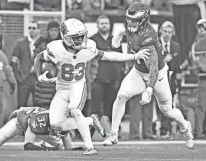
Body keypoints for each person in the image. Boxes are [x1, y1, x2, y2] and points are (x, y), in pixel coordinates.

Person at [34, 18, 150, 155]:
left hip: (78, 85)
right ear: (65, 37)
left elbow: (109, 56)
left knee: (75, 110)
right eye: (76, 38)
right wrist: (39, 75)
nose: (80, 40)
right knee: (56, 125)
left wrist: (134, 57)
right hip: (61, 89)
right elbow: (39, 58)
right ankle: (90, 120)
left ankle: (89, 147)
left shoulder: (88, 48)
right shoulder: (55, 48)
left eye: (82, 36)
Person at [102, 2, 194, 149]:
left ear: (143, 20)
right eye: (128, 19)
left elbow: (154, 69)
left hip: (157, 74)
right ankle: (113, 133)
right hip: (138, 71)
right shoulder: (132, 25)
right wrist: (119, 34)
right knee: (121, 96)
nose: (129, 22)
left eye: (133, 20)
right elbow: (128, 29)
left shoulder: (148, 38)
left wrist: (149, 89)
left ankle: (185, 126)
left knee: (167, 110)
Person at [0, 106, 104, 151]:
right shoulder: (39, 123)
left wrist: (77, 148)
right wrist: (44, 148)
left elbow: (68, 146)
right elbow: (28, 145)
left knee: (59, 146)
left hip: (29, 121)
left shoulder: (63, 125)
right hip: (17, 124)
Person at [10, 20, 40, 108]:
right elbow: (13, 62)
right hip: (24, 78)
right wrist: (18, 77)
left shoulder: (43, 43)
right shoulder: (21, 43)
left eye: (34, 28)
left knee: (39, 107)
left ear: (38, 30)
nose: (31, 30)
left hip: (38, 79)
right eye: (29, 28)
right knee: (22, 107)